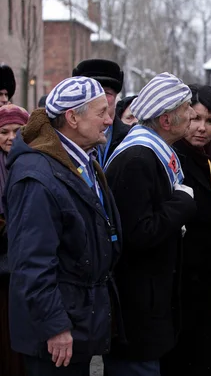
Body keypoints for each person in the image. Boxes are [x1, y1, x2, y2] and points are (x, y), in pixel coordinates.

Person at [5, 77, 122, 376]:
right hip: (55, 335)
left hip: (77, 319)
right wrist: (55, 325)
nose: (110, 120)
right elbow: (32, 263)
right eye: (101, 113)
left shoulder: (81, 159)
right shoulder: (38, 176)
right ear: (72, 117)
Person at [103, 73, 197, 376]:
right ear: (166, 120)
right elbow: (138, 233)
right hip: (136, 309)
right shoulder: (137, 159)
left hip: (149, 304)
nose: (194, 114)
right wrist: (183, 203)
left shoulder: (152, 151)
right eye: (186, 107)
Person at [160, 84, 211, 376]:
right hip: (179, 276)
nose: (201, 128)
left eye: (209, 121)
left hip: (210, 273)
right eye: (195, 118)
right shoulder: (170, 157)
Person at [0, 104, 29, 376]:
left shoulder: (32, 162)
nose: (11, 137)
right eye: (4, 131)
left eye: (17, 130)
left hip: (21, 273)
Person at [72, 59, 130, 167]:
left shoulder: (130, 139)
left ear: (116, 97)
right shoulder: (67, 139)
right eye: (93, 93)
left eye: (106, 92)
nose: (100, 98)